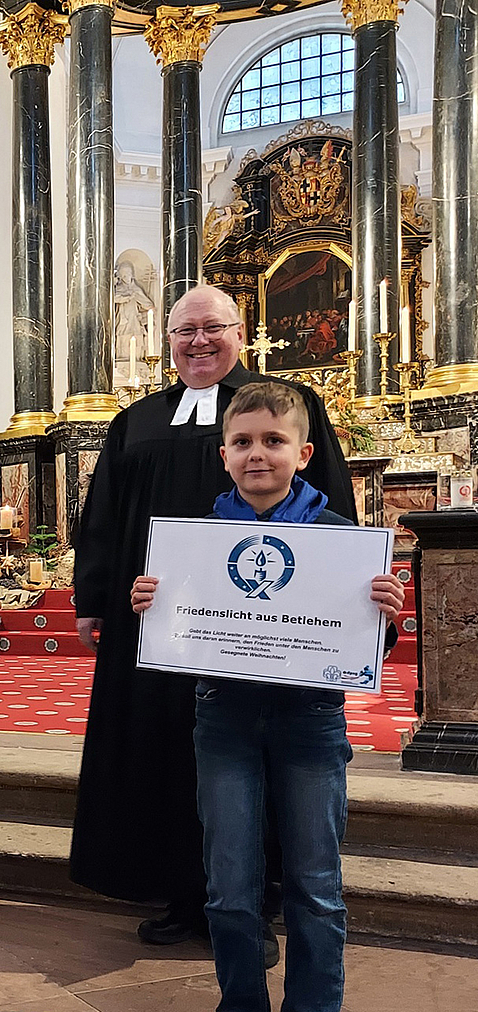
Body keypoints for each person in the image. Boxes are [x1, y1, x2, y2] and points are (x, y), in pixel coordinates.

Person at [131, 381, 404, 1012]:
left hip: (311, 725)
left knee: (315, 885)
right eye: (244, 442)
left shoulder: (340, 535)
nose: (258, 454)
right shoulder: (195, 544)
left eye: (274, 441)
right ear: (224, 456)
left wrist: (384, 616)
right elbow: (178, 630)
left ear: (303, 454)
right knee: (228, 883)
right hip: (223, 719)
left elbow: (363, 646)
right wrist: (155, 607)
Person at [70, 284, 355, 952]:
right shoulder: (136, 421)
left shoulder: (283, 407)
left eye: (212, 328)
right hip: (156, 621)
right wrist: (93, 598)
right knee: (164, 749)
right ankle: (179, 889)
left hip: (261, 625)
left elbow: (328, 502)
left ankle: (258, 898)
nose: (197, 341)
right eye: (183, 331)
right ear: (166, 342)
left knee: (248, 754)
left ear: (240, 332)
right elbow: (104, 520)